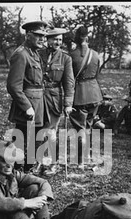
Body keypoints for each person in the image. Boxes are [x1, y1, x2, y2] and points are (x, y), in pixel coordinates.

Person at [7, 21, 48, 173]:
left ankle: (28, 169)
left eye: (43, 36)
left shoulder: (34, 53)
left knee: (34, 139)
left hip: (37, 102)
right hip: (28, 105)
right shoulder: (21, 54)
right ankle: (18, 171)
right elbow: (13, 85)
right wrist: (27, 106)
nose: (42, 39)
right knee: (22, 139)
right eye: (38, 35)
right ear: (28, 35)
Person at [39, 27, 75, 176]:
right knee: (38, 131)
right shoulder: (37, 54)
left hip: (54, 99)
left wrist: (68, 104)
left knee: (51, 132)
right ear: (47, 40)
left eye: (60, 39)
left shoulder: (66, 59)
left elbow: (69, 83)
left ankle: (52, 163)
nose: (58, 42)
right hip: (38, 97)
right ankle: (38, 161)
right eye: (55, 39)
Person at [69, 26, 103, 167]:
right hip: (95, 94)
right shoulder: (96, 55)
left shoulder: (71, 55)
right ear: (87, 38)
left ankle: (80, 161)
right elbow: (97, 75)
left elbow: (69, 78)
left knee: (79, 128)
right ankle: (87, 157)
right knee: (88, 126)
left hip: (79, 96)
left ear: (75, 40)